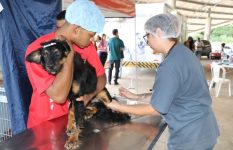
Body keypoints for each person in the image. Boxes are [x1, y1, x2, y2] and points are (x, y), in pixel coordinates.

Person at [106, 14, 219, 150]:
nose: (147, 41)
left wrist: (116, 106)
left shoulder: (170, 64)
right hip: (204, 129)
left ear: (158, 32)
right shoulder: (184, 53)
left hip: (190, 137)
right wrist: (136, 97)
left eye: (147, 35)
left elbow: (155, 109)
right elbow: (168, 96)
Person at [25, 0, 106, 128]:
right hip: (45, 124)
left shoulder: (87, 47)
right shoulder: (39, 50)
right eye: (90, 35)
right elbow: (59, 96)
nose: (91, 40)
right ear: (76, 29)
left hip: (74, 119)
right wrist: (69, 55)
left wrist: (88, 96)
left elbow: (101, 77)